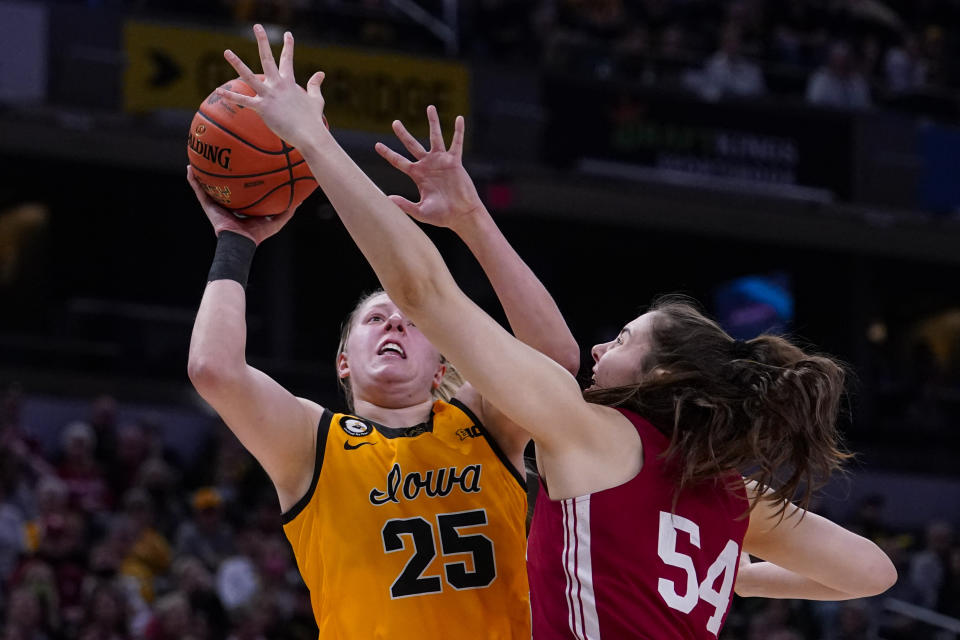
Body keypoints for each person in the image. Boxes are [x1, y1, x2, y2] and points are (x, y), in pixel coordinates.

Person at [213, 25, 899, 638]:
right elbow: (871, 574)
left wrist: (314, 139)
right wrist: (724, 577)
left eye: (625, 339)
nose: (601, 347)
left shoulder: (592, 436)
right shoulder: (725, 489)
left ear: (663, 378)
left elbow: (424, 292)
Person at [186, 29, 579, 636]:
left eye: (411, 321)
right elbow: (214, 370)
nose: (395, 320)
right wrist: (235, 242)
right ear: (344, 360)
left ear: (444, 365)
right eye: (375, 318)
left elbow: (554, 358)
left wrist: (474, 222)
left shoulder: (484, 425)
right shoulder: (311, 445)